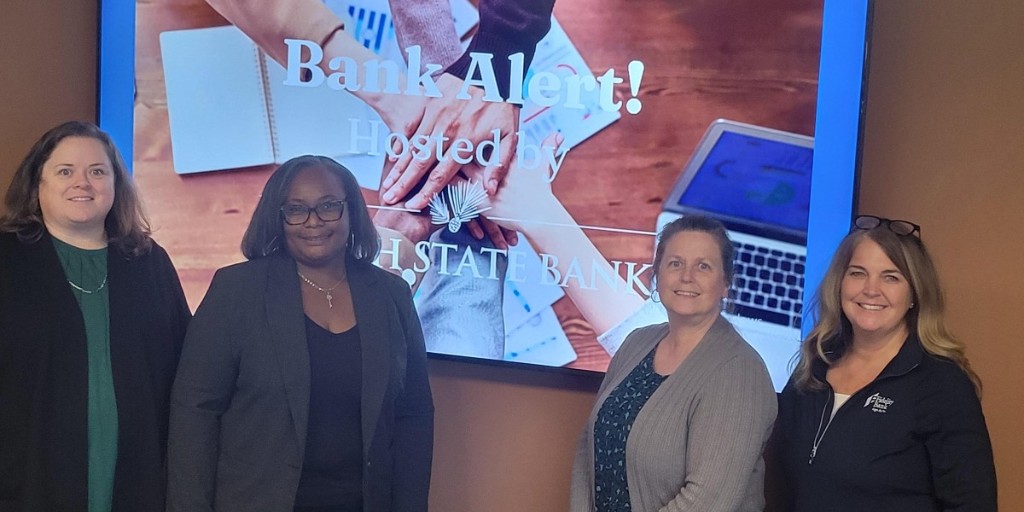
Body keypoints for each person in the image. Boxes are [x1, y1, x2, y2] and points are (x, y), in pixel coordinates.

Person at [166, 155, 433, 512]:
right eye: (296, 209)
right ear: (278, 218)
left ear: (351, 212)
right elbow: (194, 412)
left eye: (328, 207)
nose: (313, 221)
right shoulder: (237, 291)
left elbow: (414, 414)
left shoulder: (390, 295)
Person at [0, 121, 191, 511]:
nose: (82, 183)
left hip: (139, 479)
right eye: (65, 171)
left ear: (116, 184)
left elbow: (183, 370)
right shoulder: (6, 258)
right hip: (26, 477)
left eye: (97, 171)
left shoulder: (149, 262)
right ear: (37, 184)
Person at [773, 216, 997, 511]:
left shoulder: (942, 385)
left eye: (890, 277)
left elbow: (973, 504)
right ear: (840, 283)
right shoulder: (813, 368)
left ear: (914, 294)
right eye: (857, 273)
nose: (871, 289)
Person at [569, 215, 777, 511]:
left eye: (703, 266)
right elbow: (587, 449)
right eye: (675, 263)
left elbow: (707, 501)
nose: (687, 277)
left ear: (726, 284)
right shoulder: (636, 344)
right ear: (657, 276)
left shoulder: (740, 372)